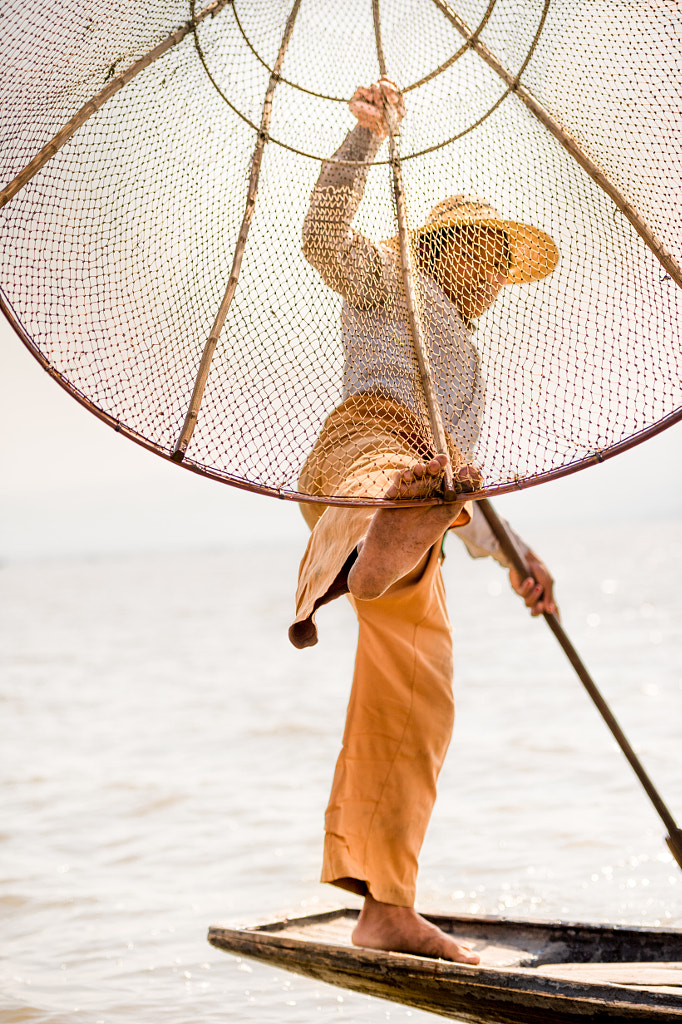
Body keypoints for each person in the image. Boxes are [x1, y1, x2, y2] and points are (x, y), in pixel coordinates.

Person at [289, 78, 559, 964]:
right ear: (442, 251)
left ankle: (386, 906)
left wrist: (520, 560)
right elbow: (323, 238)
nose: (494, 276)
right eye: (482, 254)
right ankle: (377, 532)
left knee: (419, 703)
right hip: (364, 455)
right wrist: (362, 139)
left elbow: (468, 503)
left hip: (426, 515)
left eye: (501, 263)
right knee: (406, 481)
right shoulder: (390, 283)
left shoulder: (470, 369)